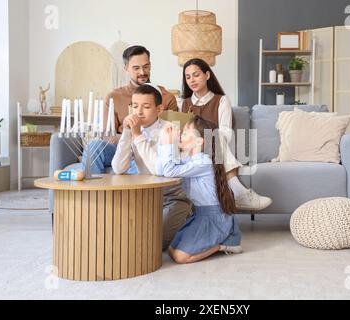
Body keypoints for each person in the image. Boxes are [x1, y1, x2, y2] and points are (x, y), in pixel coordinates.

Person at [181, 58, 272, 211]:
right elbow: (180, 134)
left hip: (216, 148)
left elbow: (226, 132)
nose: (192, 80)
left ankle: (239, 194)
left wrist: (205, 139)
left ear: (207, 75)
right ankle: (239, 193)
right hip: (190, 150)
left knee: (216, 136)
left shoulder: (221, 101)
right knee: (211, 137)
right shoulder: (183, 103)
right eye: (188, 77)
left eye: (196, 75)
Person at [111, 84, 192, 250]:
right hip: (145, 197)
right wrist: (127, 133)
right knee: (121, 235)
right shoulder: (133, 130)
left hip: (173, 197)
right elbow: (118, 168)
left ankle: (187, 220)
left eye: (146, 107)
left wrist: (137, 135)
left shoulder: (170, 130)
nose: (139, 112)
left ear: (159, 109)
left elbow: (159, 170)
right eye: (135, 106)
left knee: (154, 242)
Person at [157, 115, 242, 264]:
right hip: (199, 215)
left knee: (180, 257)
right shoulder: (190, 160)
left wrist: (168, 146)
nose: (180, 135)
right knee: (170, 249)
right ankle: (216, 242)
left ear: (199, 141)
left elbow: (169, 171)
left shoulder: (203, 161)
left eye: (184, 133)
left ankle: (223, 245)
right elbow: (161, 169)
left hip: (213, 218)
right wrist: (165, 143)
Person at [81, 45, 177, 174]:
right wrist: (128, 135)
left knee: (140, 163)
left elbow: (170, 134)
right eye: (136, 68)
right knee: (93, 147)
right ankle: (92, 193)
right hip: (121, 146)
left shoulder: (166, 97)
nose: (142, 72)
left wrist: (139, 137)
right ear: (126, 68)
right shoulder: (113, 97)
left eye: (146, 66)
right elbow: (106, 134)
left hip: (153, 148)